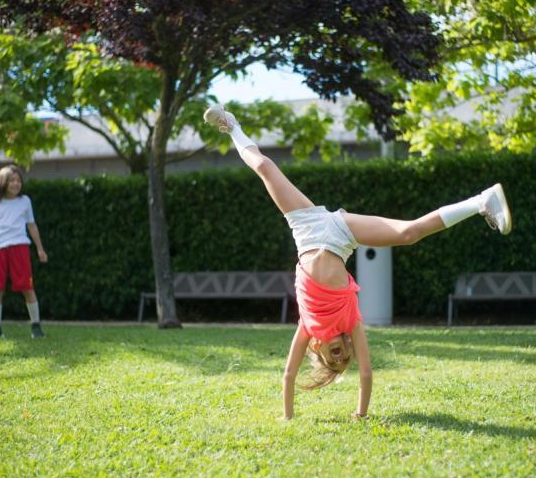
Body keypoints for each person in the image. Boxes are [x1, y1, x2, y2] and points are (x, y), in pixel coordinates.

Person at [203, 104, 512, 420]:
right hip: (340, 235)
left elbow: (288, 375)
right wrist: (361, 413)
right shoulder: (351, 321)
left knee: (265, 167)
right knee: (408, 233)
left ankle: (231, 125)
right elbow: (365, 372)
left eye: (333, 360)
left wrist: (287, 416)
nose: (340, 359)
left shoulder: (307, 327)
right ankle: (480, 202)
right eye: (344, 361)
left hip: (306, 229)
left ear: (318, 350)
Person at [0, 164, 48, 340]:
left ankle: (36, 327)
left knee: (27, 288)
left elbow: (32, 225)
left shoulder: (25, 201)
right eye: (12, 180)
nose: (16, 183)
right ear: (2, 182)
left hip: (20, 248)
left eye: (18, 180)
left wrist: (40, 249)